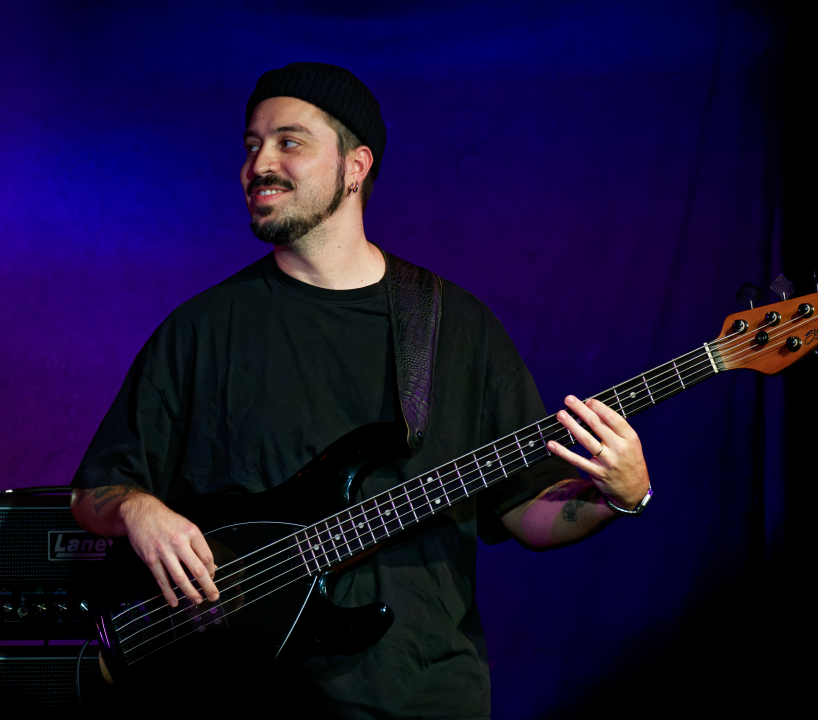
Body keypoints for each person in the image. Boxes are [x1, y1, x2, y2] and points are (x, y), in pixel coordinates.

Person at [70, 62, 651, 718]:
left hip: (424, 697)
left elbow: (526, 512)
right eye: (251, 145)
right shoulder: (201, 331)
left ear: (355, 166)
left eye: (289, 142)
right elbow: (92, 495)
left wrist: (619, 497)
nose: (259, 164)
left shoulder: (455, 329)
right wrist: (137, 510)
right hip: (246, 695)